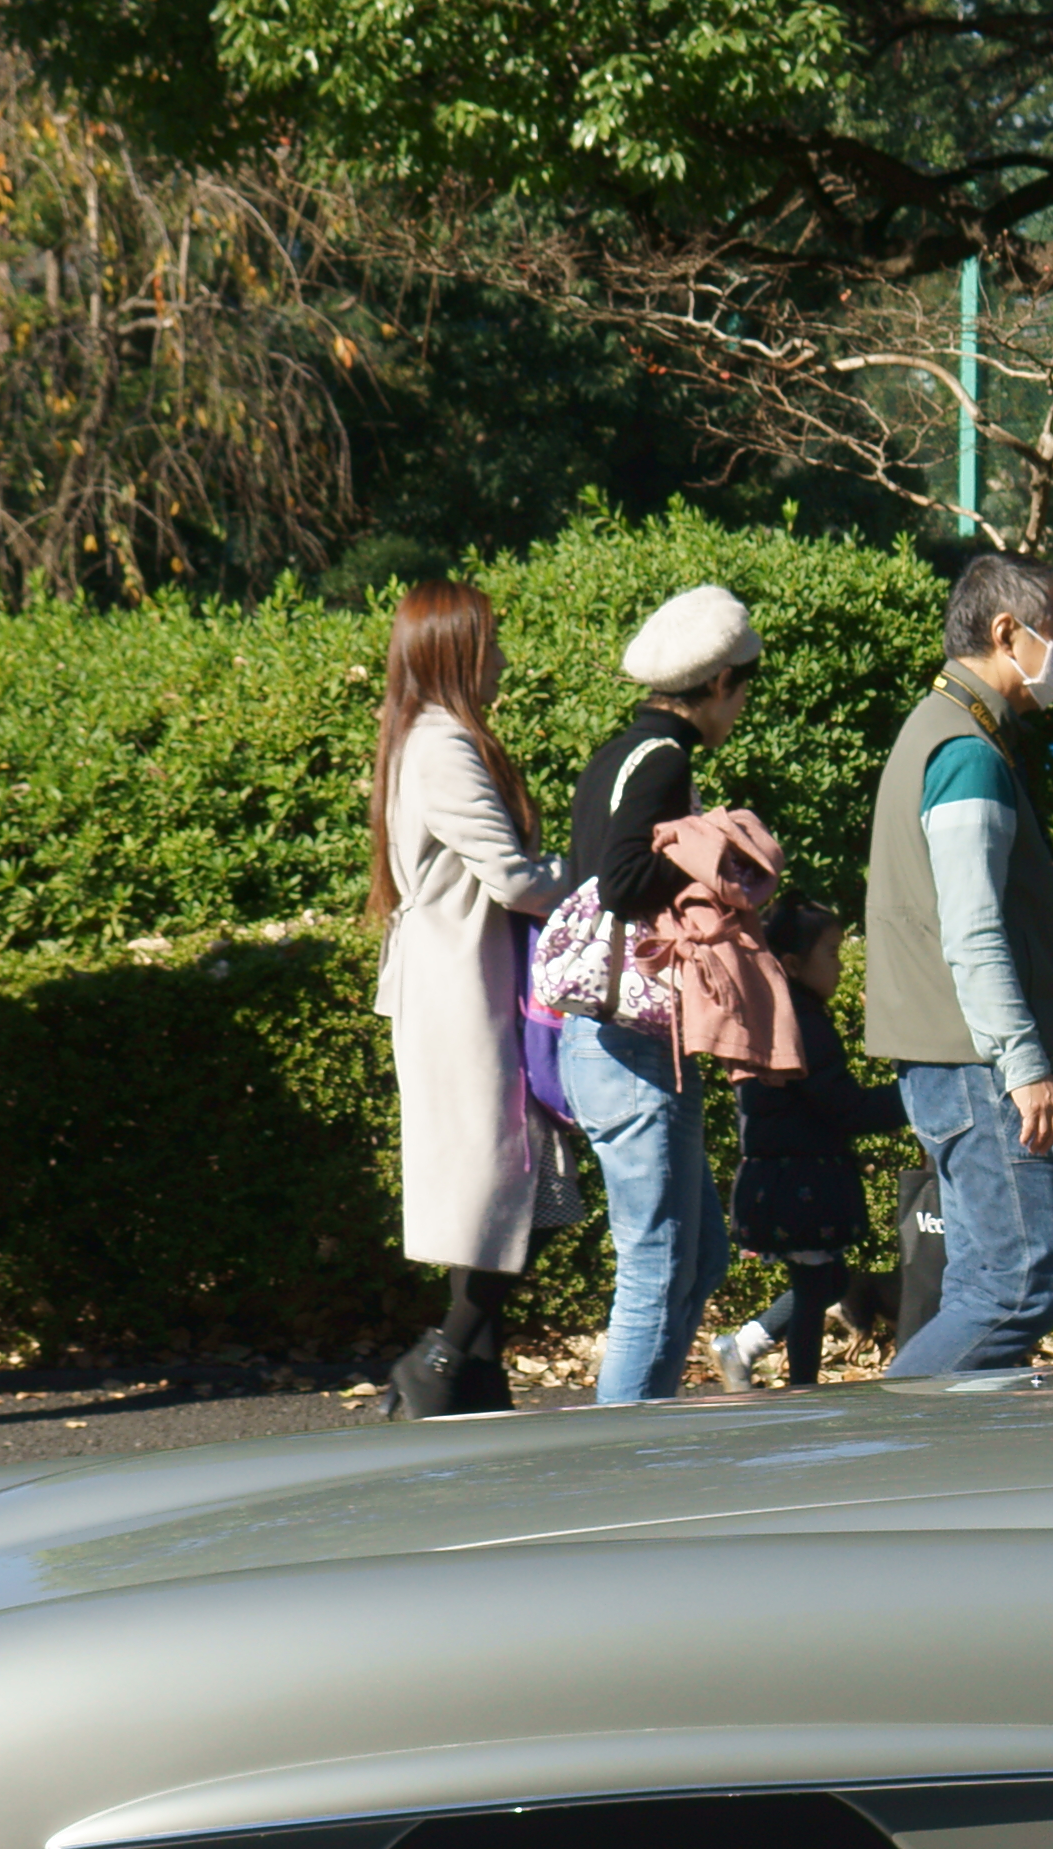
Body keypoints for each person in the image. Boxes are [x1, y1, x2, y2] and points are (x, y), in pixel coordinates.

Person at [868, 551, 1053, 1375]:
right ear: (1009, 633)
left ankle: (934, 1478)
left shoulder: (935, 729)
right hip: (978, 1063)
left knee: (980, 1284)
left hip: (948, 1062)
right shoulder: (967, 751)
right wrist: (1026, 1064)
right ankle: (881, 1453)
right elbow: (973, 933)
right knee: (1020, 1285)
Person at [544, 584, 762, 1403]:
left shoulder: (618, 752)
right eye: (741, 693)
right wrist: (717, 850)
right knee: (658, 1262)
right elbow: (620, 882)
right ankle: (618, 1462)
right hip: (629, 1046)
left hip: (610, 1043)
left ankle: (650, 1431)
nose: (739, 710)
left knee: (697, 1256)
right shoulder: (665, 762)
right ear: (715, 687)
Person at [365, 576, 568, 1419]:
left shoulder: (420, 737)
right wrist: (592, 877)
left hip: (458, 980)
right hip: (463, 987)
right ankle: (446, 1352)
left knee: (496, 1181)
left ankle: (471, 1378)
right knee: (504, 1178)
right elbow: (515, 880)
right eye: (492, 642)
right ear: (459, 651)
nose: (504, 660)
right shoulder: (443, 744)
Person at [713, 896, 911, 1387]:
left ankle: (752, 1349)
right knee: (819, 1283)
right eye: (833, 954)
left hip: (781, 1172)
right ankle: (793, 1382)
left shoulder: (776, 1012)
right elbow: (841, 1105)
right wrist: (913, 1098)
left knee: (822, 1280)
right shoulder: (801, 1021)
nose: (841, 967)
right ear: (795, 964)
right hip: (799, 1177)